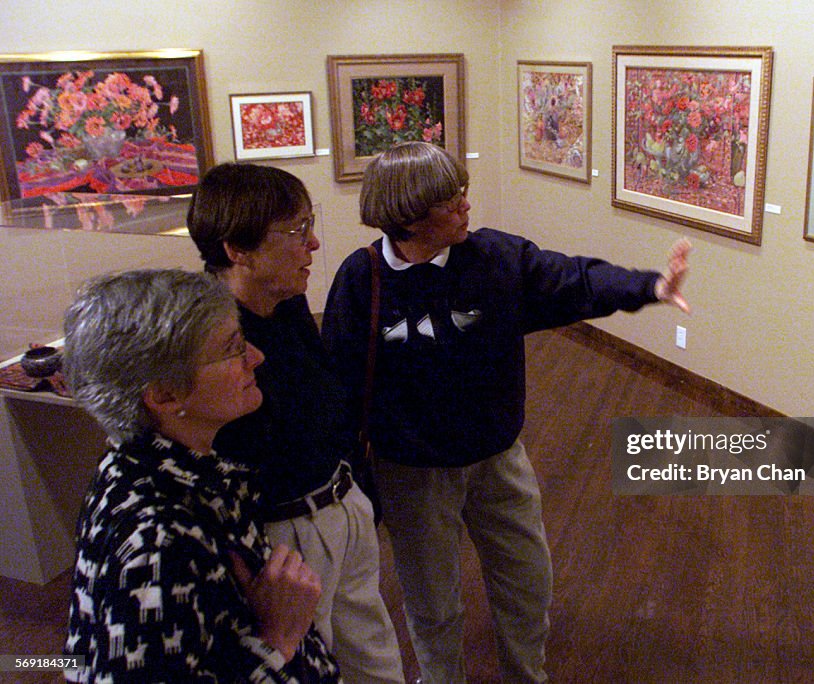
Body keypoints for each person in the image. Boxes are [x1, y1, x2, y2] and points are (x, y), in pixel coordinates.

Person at [320, 141, 691, 684]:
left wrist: (650, 286)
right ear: (409, 216)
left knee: (526, 584)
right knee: (432, 601)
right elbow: (340, 381)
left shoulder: (494, 258)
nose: (467, 205)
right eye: (451, 201)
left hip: (498, 459)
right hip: (412, 473)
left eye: (463, 192)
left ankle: (526, 675)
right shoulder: (362, 280)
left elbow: (574, 280)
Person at [62, 269, 339, 682]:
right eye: (233, 348)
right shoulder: (155, 542)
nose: (256, 357)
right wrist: (276, 640)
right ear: (164, 395)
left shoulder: (165, 470)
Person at [187, 163, 404, 684]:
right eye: (294, 230)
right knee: (308, 667)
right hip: (285, 534)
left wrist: (355, 491)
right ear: (237, 250)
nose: (312, 242)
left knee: (374, 656)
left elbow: (323, 403)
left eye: (309, 223)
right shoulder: (205, 339)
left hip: (338, 501)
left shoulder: (284, 303)